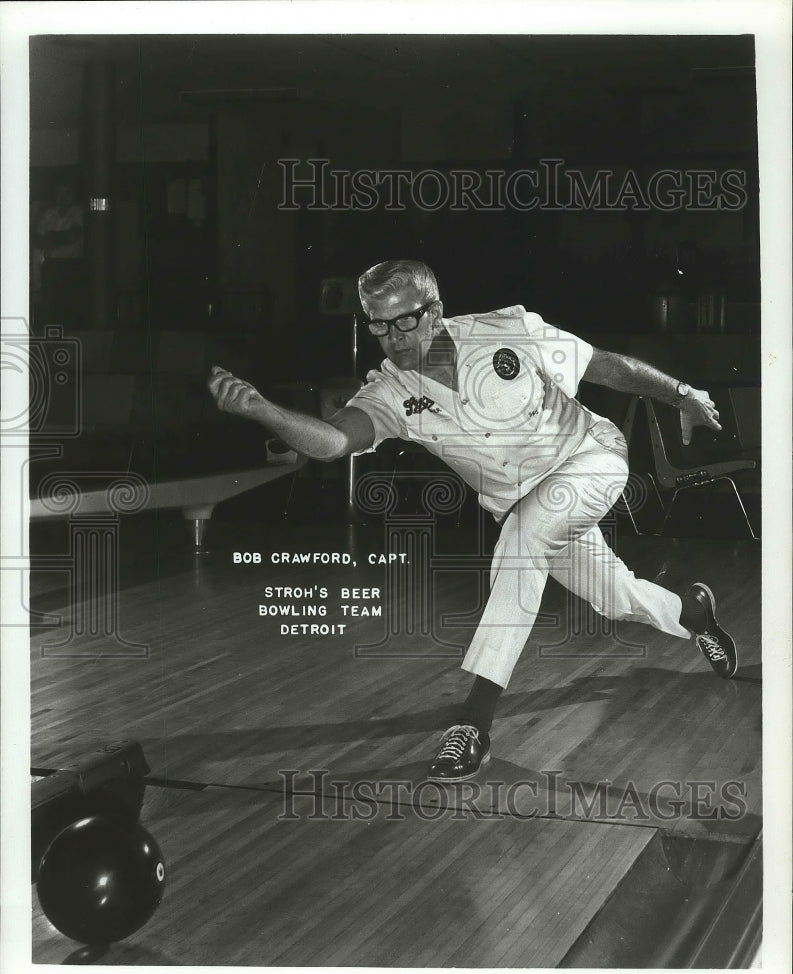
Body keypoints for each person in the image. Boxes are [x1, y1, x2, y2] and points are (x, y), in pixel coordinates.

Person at [208, 259, 738, 782]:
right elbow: (334, 441)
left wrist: (683, 395)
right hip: (526, 506)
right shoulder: (388, 392)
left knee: (523, 538)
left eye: (404, 321)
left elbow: (604, 365)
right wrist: (264, 411)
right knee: (614, 595)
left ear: (435, 312)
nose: (392, 337)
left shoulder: (508, 330)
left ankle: (474, 721)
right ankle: (692, 613)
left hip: (590, 458)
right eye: (377, 324)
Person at [32, 179, 86, 329]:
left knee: (69, 308)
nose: (62, 197)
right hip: (50, 266)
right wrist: (58, 238)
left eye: (66, 192)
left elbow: (73, 236)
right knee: (50, 308)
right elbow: (37, 239)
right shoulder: (49, 213)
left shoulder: (79, 212)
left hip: (71, 266)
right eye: (59, 193)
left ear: (74, 194)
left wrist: (50, 237)